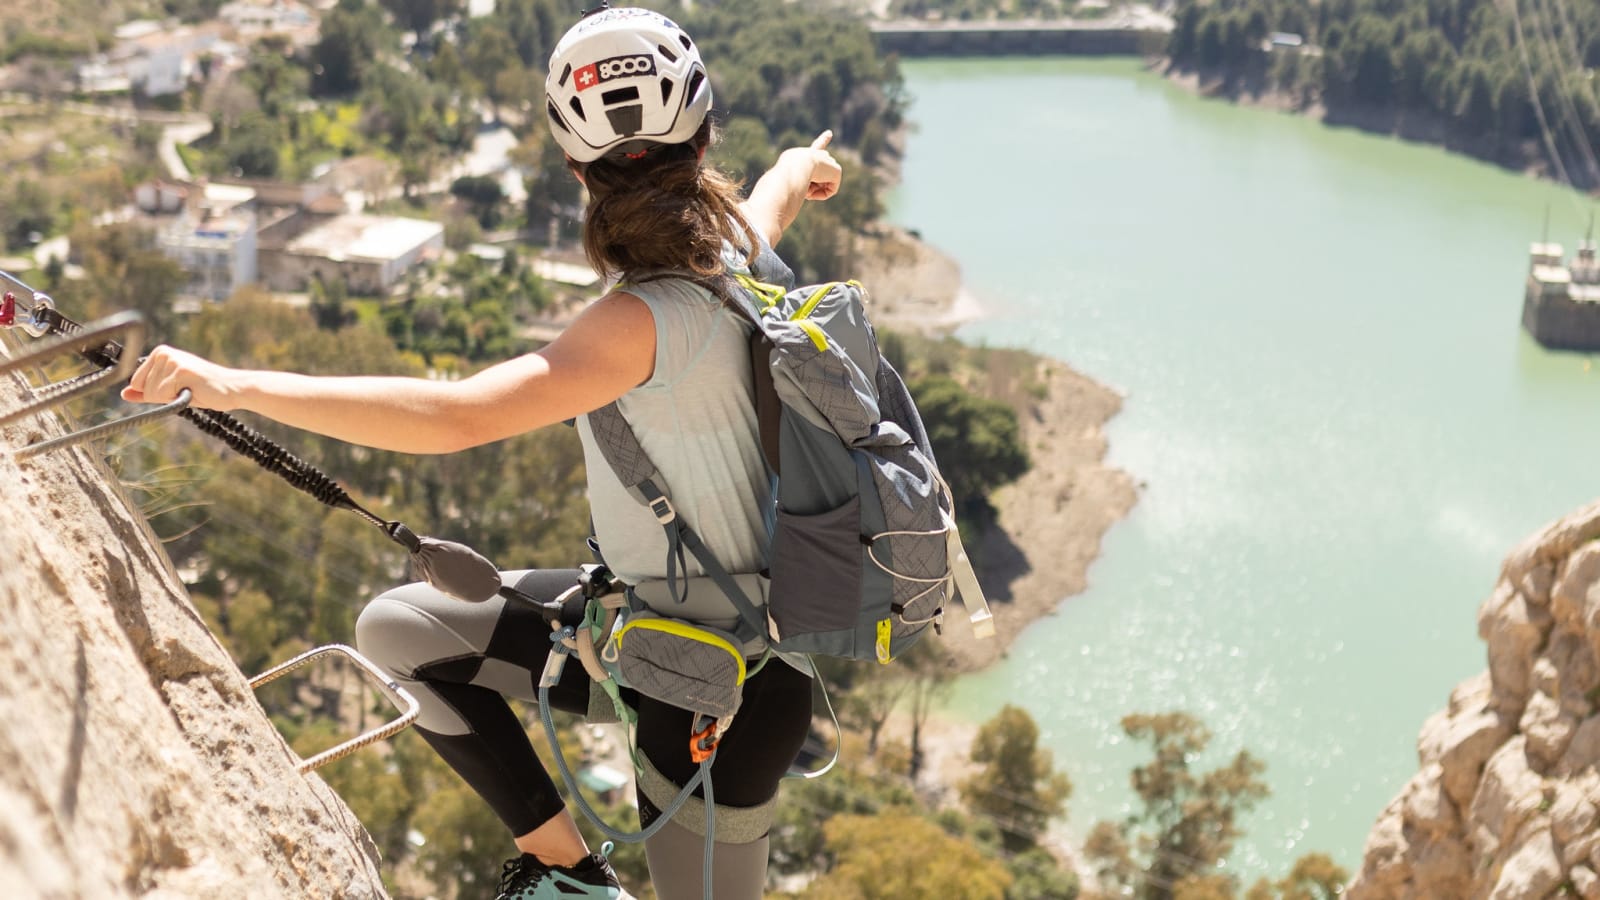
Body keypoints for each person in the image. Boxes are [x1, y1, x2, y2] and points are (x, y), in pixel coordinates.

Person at [122, 7, 843, 899]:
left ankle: (573, 872)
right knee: (402, 629)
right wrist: (800, 164)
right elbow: (770, 199)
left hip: (719, 699)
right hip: (652, 642)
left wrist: (234, 384)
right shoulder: (735, 256)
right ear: (701, 144)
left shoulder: (635, 323)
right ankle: (570, 877)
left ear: (576, 168)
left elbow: (452, 418)